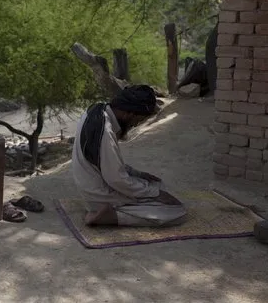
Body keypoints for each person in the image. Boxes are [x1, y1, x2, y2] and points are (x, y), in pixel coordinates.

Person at [71, 85, 187, 227]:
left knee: (156, 184)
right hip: (99, 193)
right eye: (138, 121)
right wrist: (156, 194)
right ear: (129, 115)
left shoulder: (98, 109)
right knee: (176, 212)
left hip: (94, 181)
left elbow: (105, 163)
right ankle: (110, 216)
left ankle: (114, 208)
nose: (135, 125)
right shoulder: (105, 132)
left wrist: (138, 174)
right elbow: (116, 179)